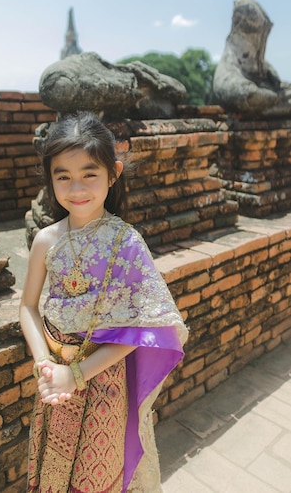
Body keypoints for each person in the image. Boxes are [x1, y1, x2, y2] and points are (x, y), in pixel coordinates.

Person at [19, 112, 188, 493]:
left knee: (95, 477)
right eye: (63, 175)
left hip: (103, 382)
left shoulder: (126, 243)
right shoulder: (46, 240)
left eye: (89, 174)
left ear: (113, 173)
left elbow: (142, 327)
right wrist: (45, 364)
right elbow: (27, 306)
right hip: (53, 379)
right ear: (50, 178)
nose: (76, 187)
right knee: (51, 468)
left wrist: (76, 374)